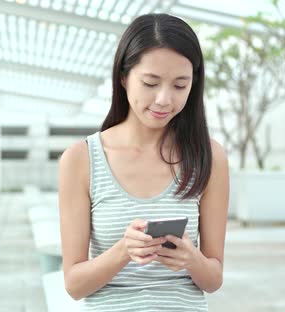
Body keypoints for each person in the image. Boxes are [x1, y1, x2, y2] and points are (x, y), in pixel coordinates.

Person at [57, 13, 229, 311]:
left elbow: (213, 280)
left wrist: (192, 259)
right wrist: (124, 250)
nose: (164, 99)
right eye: (150, 83)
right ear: (123, 77)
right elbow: (74, 285)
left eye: (179, 86)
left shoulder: (209, 157)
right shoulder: (81, 159)